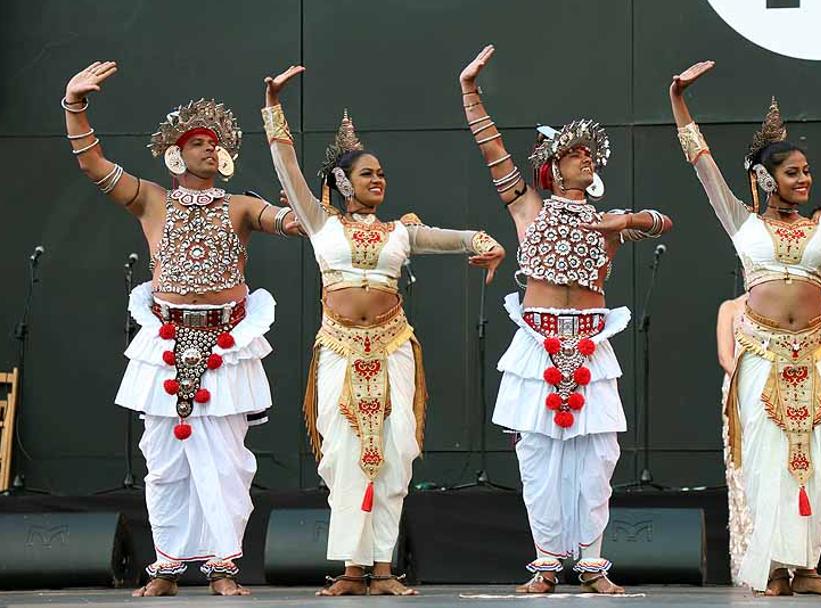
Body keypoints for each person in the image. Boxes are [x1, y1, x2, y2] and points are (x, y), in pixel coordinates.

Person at [670, 60, 821, 596]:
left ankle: (806, 567)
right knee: (767, 464)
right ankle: (777, 570)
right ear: (765, 178)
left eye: (807, 171)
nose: (805, 179)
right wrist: (678, 100)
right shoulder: (741, 220)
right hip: (760, 354)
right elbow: (701, 161)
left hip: (816, 354)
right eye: (793, 172)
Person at [261, 65, 506, 597]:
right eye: (368, 173)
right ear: (344, 182)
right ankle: (351, 569)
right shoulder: (319, 222)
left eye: (382, 174)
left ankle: (384, 570)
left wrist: (487, 243)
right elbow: (287, 170)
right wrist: (273, 106)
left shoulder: (401, 232)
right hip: (339, 350)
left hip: (392, 348)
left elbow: (452, 238)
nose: (379, 180)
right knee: (344, 453)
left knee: (394, 453)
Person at [63, 62, 303, 597]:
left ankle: (221, 568)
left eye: (215, 144)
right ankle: (168, 566)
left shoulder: (240, 206)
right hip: (166, 345)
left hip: (226, 343)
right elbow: (94, 165)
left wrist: (300, 210)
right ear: (176, 152)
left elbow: (291, 222)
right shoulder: (152, 199)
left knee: (228, 463)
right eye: (197, 143)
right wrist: (74, 106)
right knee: (164, 463)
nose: (208, 150)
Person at [458, 45, 673, 594]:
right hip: (538, 343)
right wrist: (470, 92)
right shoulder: (529, 207)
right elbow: (493, 153)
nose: (587, 160)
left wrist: (624, 221)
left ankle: (593, 563)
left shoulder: (608, 219)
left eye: (589, 155)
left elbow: (663, 221)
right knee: (538, 459)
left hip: (593, 344)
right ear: (553, 165)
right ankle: (548, 561)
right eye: (575, 154)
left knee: (598, 459)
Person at [716, 294, 751, 584]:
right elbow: (725, 356)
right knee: (740, 472)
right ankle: (746, 562)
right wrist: (747, 380)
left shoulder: (779, 305)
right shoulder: (730, 308)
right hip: (739, 390)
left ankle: (782, 563)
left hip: (773, 390)